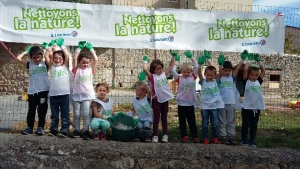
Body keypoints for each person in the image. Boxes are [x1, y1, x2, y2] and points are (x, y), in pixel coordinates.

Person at [16, 45, 50, 135]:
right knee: (31, 111)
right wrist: (26, 52)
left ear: (41, 56)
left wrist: (47, 48)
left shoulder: (45, 64)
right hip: (32, 92)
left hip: (43, 91)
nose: (37, 59)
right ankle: (29, 127)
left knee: (42, 111)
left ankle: (40, 127)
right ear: (31, 58)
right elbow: (18, 58)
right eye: (34, 58)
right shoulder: (29, 65)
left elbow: (49, 56)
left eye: (39, 57)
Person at [142, 53, 175, 143]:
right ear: (154, 70)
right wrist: (145, 61)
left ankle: (165, 135)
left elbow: (171, 66)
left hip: (165, 100)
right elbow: (145, 69)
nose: (160, 70)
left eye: (161, 68)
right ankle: (155, 135)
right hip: (156, 100)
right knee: (156, 118)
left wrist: (173, 57)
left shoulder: (164, 74)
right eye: (158, 69)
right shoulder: (152, 77)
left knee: (164, 118)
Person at [44, 38, 72, 138]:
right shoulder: (52, 67)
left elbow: (67, 55)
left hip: (64, 94)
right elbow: (46, 56)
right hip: (53, 95)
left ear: (63, 59)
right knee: (54, 115)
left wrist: (62, 46)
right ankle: (54, 129)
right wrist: (48, 47)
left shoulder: (66, 66)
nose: (57, 60)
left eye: (60, 58)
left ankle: (64, 129)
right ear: (53, 59)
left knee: (65, 114)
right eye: (55, 58)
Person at [71, 41, 98, 140]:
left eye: (87, 63)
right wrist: (79, 48)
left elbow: (96, 59)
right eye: (83, 62)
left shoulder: (90, 69)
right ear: (79, 62)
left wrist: (91, 49)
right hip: (77, 96)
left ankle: (86, 131)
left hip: (86, 96)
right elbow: (74, 57)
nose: (85, 64)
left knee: (86, 114)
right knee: (77, 114)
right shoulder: (76, 70)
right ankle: (77, 130)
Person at [170, 51, 199, 143]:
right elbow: (173, 71)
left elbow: (196, 67)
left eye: (188, 72)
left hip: (190, 103)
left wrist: (192, 58)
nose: (186, 73)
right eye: (184, 72)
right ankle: (184, 136)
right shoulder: (179, 79)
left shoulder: (193, 77)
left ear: (191, 72)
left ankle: (195, 136)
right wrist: (176, 61)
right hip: (181, 103)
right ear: (181, 72)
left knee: (192, 121)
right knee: (182, 121)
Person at [217, 51, 245, 145]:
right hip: (221, 103)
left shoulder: (232, 78)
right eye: (226, 70)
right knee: (221, 121)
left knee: (231, 121)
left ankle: (231, 136)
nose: (228, 72)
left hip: (231, 103)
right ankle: (223, 136)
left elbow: (237, 69)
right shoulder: (220, 78)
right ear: (223, 70)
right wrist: (220, 64)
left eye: (229, 70)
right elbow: (220, 72)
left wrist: (242, 59)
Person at [198, 50, 224, 144]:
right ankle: (205, 138)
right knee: (205, 123)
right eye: (207, 75)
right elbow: (199, 74)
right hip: (205, 106)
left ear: (214, 75)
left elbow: (220, 74)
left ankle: (215, 138)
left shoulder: (216, 81)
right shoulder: (203, 82)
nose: (209, 76)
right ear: (205, 75)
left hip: (214, 106)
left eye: (211, 75)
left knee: (215, 123)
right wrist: (199, 65)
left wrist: (221, 65)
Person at [240, 53, 265, 147]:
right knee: (246, 125)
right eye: (252, 75)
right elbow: (245, 69)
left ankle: (252, 141)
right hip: (247, 108)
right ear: (249, 75)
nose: (254, 77)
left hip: (256, 108)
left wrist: (259, 61)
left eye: (256, 75)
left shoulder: (258, 81)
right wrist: (249, 60)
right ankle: (243, 140)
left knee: (254, 126)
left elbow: (263, 71)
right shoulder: (246, 82)